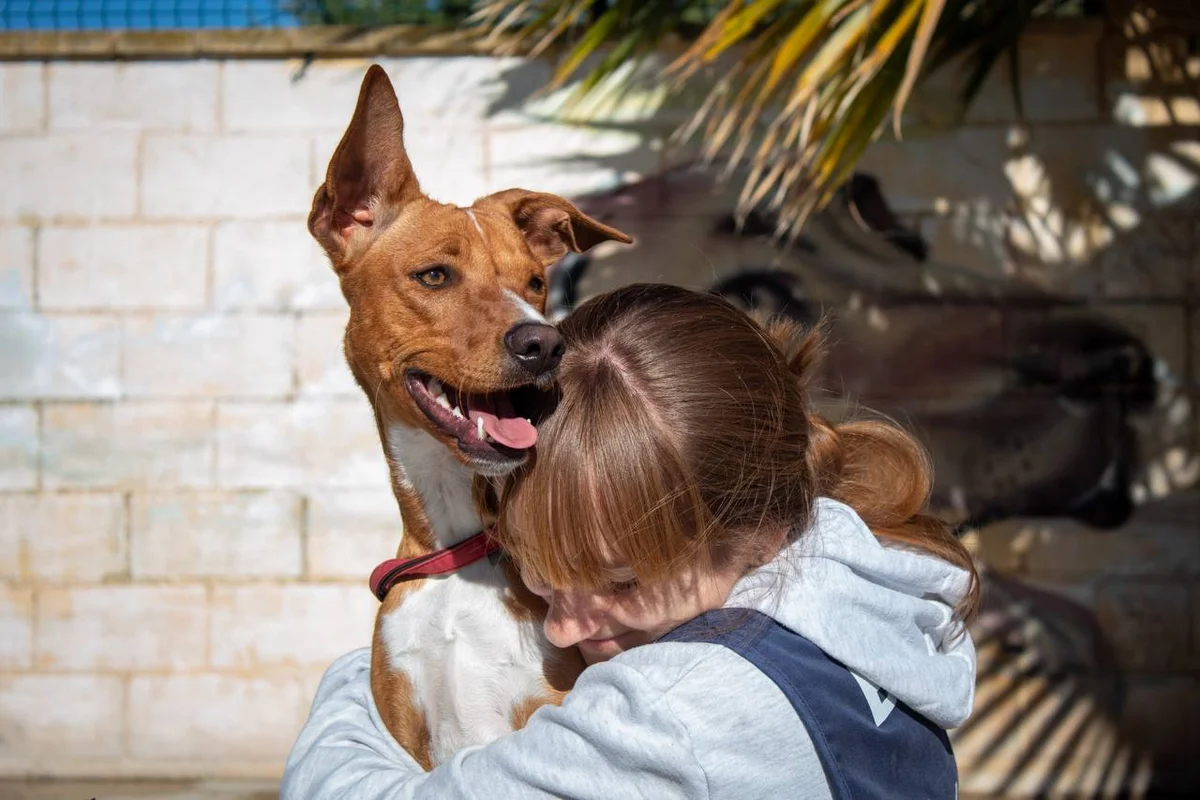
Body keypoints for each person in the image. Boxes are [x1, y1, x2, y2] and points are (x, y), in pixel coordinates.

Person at [282, 283, 978, 799]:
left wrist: (366, 670)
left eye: (620, 582)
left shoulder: (685, 712)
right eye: (540, 573)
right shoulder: (865, 595)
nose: (565, 625)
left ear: (757, 529)